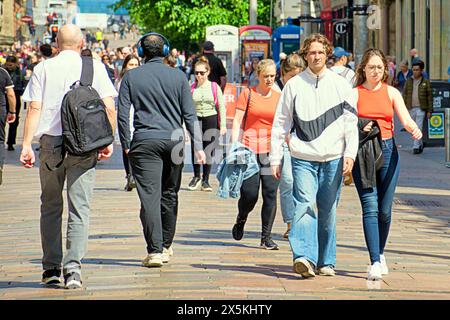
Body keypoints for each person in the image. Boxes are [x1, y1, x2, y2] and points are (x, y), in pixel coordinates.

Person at [19, 24, 117, 289]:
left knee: (50, 206)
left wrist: (27, 144)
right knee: (80, 208)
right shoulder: (94, 67)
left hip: (50, 144)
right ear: (82, 41)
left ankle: (51, 268)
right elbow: (109, 106)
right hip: (84, 145)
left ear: (57, 43)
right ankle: (73, 270)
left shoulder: (42, 68)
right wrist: (108, 141)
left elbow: (34, 108)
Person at [269, 33, 359, 278]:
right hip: (302, 157)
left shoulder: (341, 85)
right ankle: (303, 257)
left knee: (328, 210)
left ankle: (326, 261)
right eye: (311, 52)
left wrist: (350, 153)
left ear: (327, 54)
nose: (316, 56)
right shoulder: (294, 86)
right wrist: (276, 157)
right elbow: (280, 123)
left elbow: (351, 122)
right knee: (305, 204)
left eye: (320, 52)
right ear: (305, 55)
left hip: (333, 157)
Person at [118, 33, 206, 268]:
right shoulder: (178, 77)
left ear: (141, 52)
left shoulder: (131, 77)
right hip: (175, 141)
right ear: (166, 50)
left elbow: (123, 114)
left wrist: (126, 144)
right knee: (170, 193)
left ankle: (155, 250)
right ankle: (166, 245)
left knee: (149, 197)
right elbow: (189, 114)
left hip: (145, 141)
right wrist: (199, 146)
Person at [352, 48, 422, 280]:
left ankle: (380, 253)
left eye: (379, 67)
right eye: (371, 67)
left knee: (384, 210)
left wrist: (414, 129)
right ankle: (373, 260)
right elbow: (344, 122)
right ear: (363, 68)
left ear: (385, 70)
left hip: (388, 151)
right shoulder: (354, 94)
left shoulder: (391, 92)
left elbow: (405, 117)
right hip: (363, 153)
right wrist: (358, 127)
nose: (375, 71)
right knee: (370, 207)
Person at [230, 59, 281, 250]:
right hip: (250, 150)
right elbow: (236, 121)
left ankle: (265, 237)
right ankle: (241, 217)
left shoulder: (279, 97)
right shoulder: (248, 94)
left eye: (272, 76)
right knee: (249, 194)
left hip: (271, 151)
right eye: (265, 76)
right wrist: (235, 145)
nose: (269, 80)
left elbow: (284, 123)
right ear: (258, 76)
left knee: (270, 193)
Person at [272, 52, 304, 239]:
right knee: (287, 182)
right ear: (283, 74)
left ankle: (302, 222)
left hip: (302, 141)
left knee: (302, 184)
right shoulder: (276, 91)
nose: (295, 80)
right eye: (292, 76)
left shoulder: (306, 88)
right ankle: (291, 223)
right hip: (283, 141)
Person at [187, 56, 226, 192]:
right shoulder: (191, 88)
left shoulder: (214, 87)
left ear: (208, 72)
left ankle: (206, 179)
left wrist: (223, 126)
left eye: (202, 73)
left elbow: (221, 106)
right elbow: (187, 108)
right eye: (196, 73)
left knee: (209, 149)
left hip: (211, 118)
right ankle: (196, 176)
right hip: (196, 119)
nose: (199, 75)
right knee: (196, 148)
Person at [115, 54, 140, 191]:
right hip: (126, 115)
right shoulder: (121, 81)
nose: (134, 67)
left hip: (137, 115)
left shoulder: (142, 80)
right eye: (131, 64)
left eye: (136, 65)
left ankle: (135, 175)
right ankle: (129, 175)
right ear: (125, 66)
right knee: (126, 146)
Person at [402, 60, 433, 154]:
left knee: (418, 127)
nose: (415, 71)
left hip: (421, 108)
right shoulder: (409, 81)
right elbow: (405, 94)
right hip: (410, 108)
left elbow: (429, 97)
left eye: (417, 70)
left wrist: (429, 111)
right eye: (414, 70)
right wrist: (403, 108)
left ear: (421, 71)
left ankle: (416, 147)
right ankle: (420, 143)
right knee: (412, 128)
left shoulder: (425, 82)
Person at [3, 56, 26, 151]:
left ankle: (10, 143)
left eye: (11, 65)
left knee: (14, 122)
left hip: (15, 97)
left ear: (16, 64)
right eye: (8, 64)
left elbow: (22, 84)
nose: (9, 67)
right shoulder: (3, 71)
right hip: (3, 97)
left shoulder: (19, 73)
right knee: (2, 121)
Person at [0, 64, 16, 185]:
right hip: (1, 109)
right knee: (0, 140)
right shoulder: (3, 72)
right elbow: (10, 94)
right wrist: (12, 111)